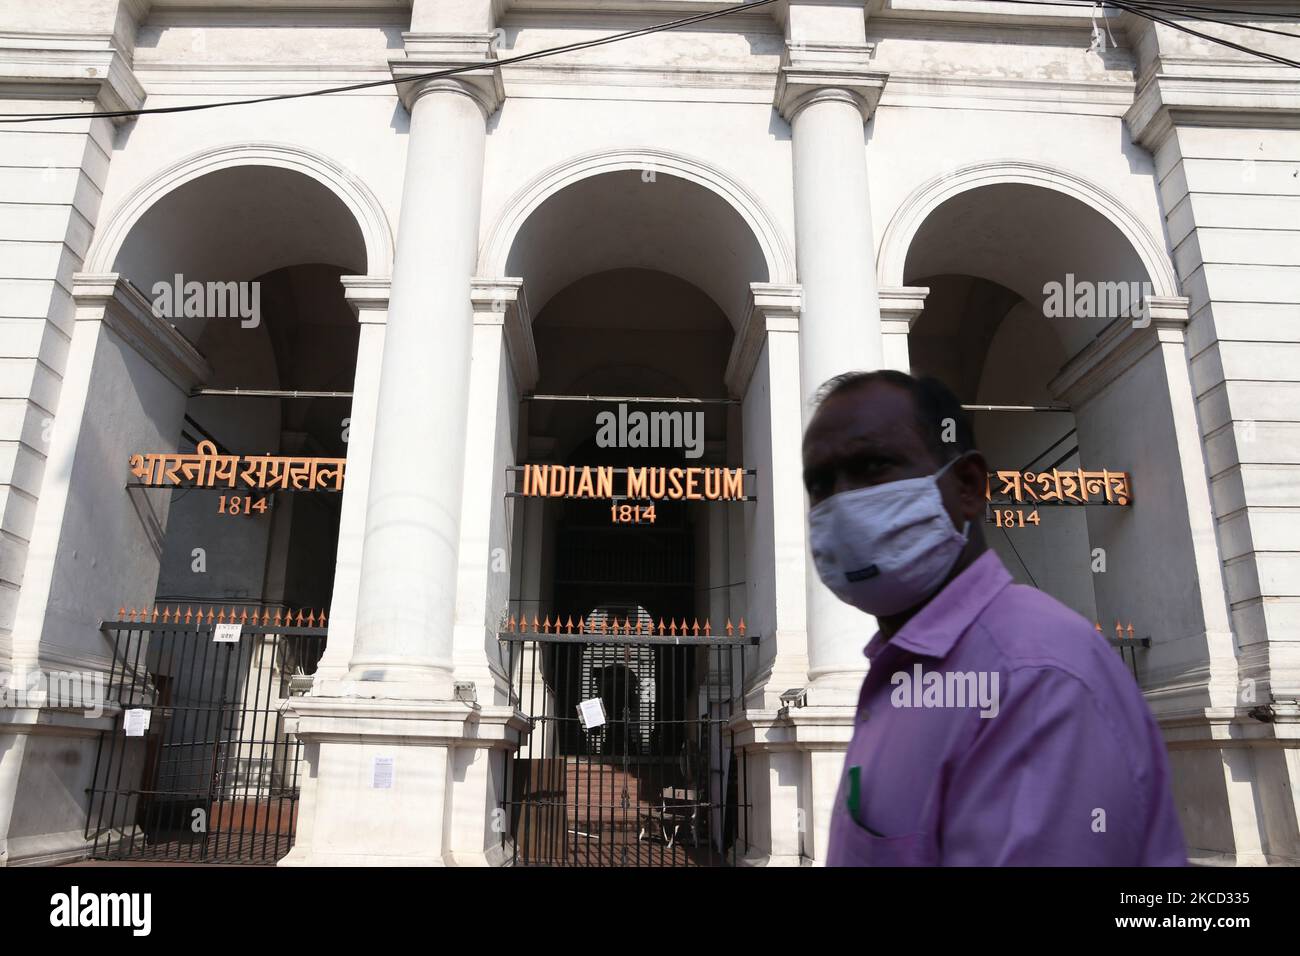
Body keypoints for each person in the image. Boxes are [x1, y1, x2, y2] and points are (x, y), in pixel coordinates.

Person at [802, 369, 1186, 866]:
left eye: (873, 466)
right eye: (820, 483)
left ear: (968, 485)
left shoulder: (1034, 677)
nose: (842, 502)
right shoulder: (905, 667)